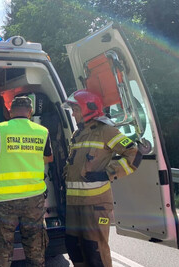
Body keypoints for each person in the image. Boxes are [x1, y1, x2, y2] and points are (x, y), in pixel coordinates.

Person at [61, 90, 143, 267]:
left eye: (75, 109)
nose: (73, 114)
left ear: (88, 108)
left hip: (95, 204)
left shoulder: (106, 131)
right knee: (75, 249)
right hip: (74, 202)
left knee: (95, 251)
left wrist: (108, 173)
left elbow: (134, 155)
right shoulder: (78, 134)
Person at [0, 96, 53, 267]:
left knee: (2, 250)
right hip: (34, 199)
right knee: (35, 251)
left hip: (4, 200)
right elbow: (49, 157)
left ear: (10, 112)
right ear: (30, 112)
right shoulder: (42, 131)